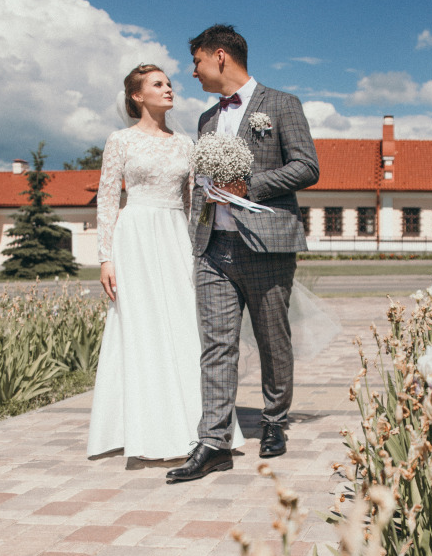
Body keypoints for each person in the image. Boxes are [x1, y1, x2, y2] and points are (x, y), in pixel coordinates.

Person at [166, 25, 319, 484]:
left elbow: (307, 165)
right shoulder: (206, 119)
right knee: (216, 345)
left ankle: (274, 420)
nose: (191, 72)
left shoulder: (281, 104)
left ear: (219, 57)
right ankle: (213, 442)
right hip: (215, 245)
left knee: (273, 337)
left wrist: (248, 186)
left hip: (267, 242)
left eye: (195, 62)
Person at [87, 63, 243, 461]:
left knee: (184, 324)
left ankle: (198, 424)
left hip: (175, 235)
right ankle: (141, 427)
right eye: (158, 84)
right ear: (138, 96)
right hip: (134, 236)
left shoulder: (186, 143)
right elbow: (107, 199)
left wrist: (201, 245)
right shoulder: (119, 140)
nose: (169, 88)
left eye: (170, 83)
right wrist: (105, 258)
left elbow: (194, 204)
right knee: (138, 326)